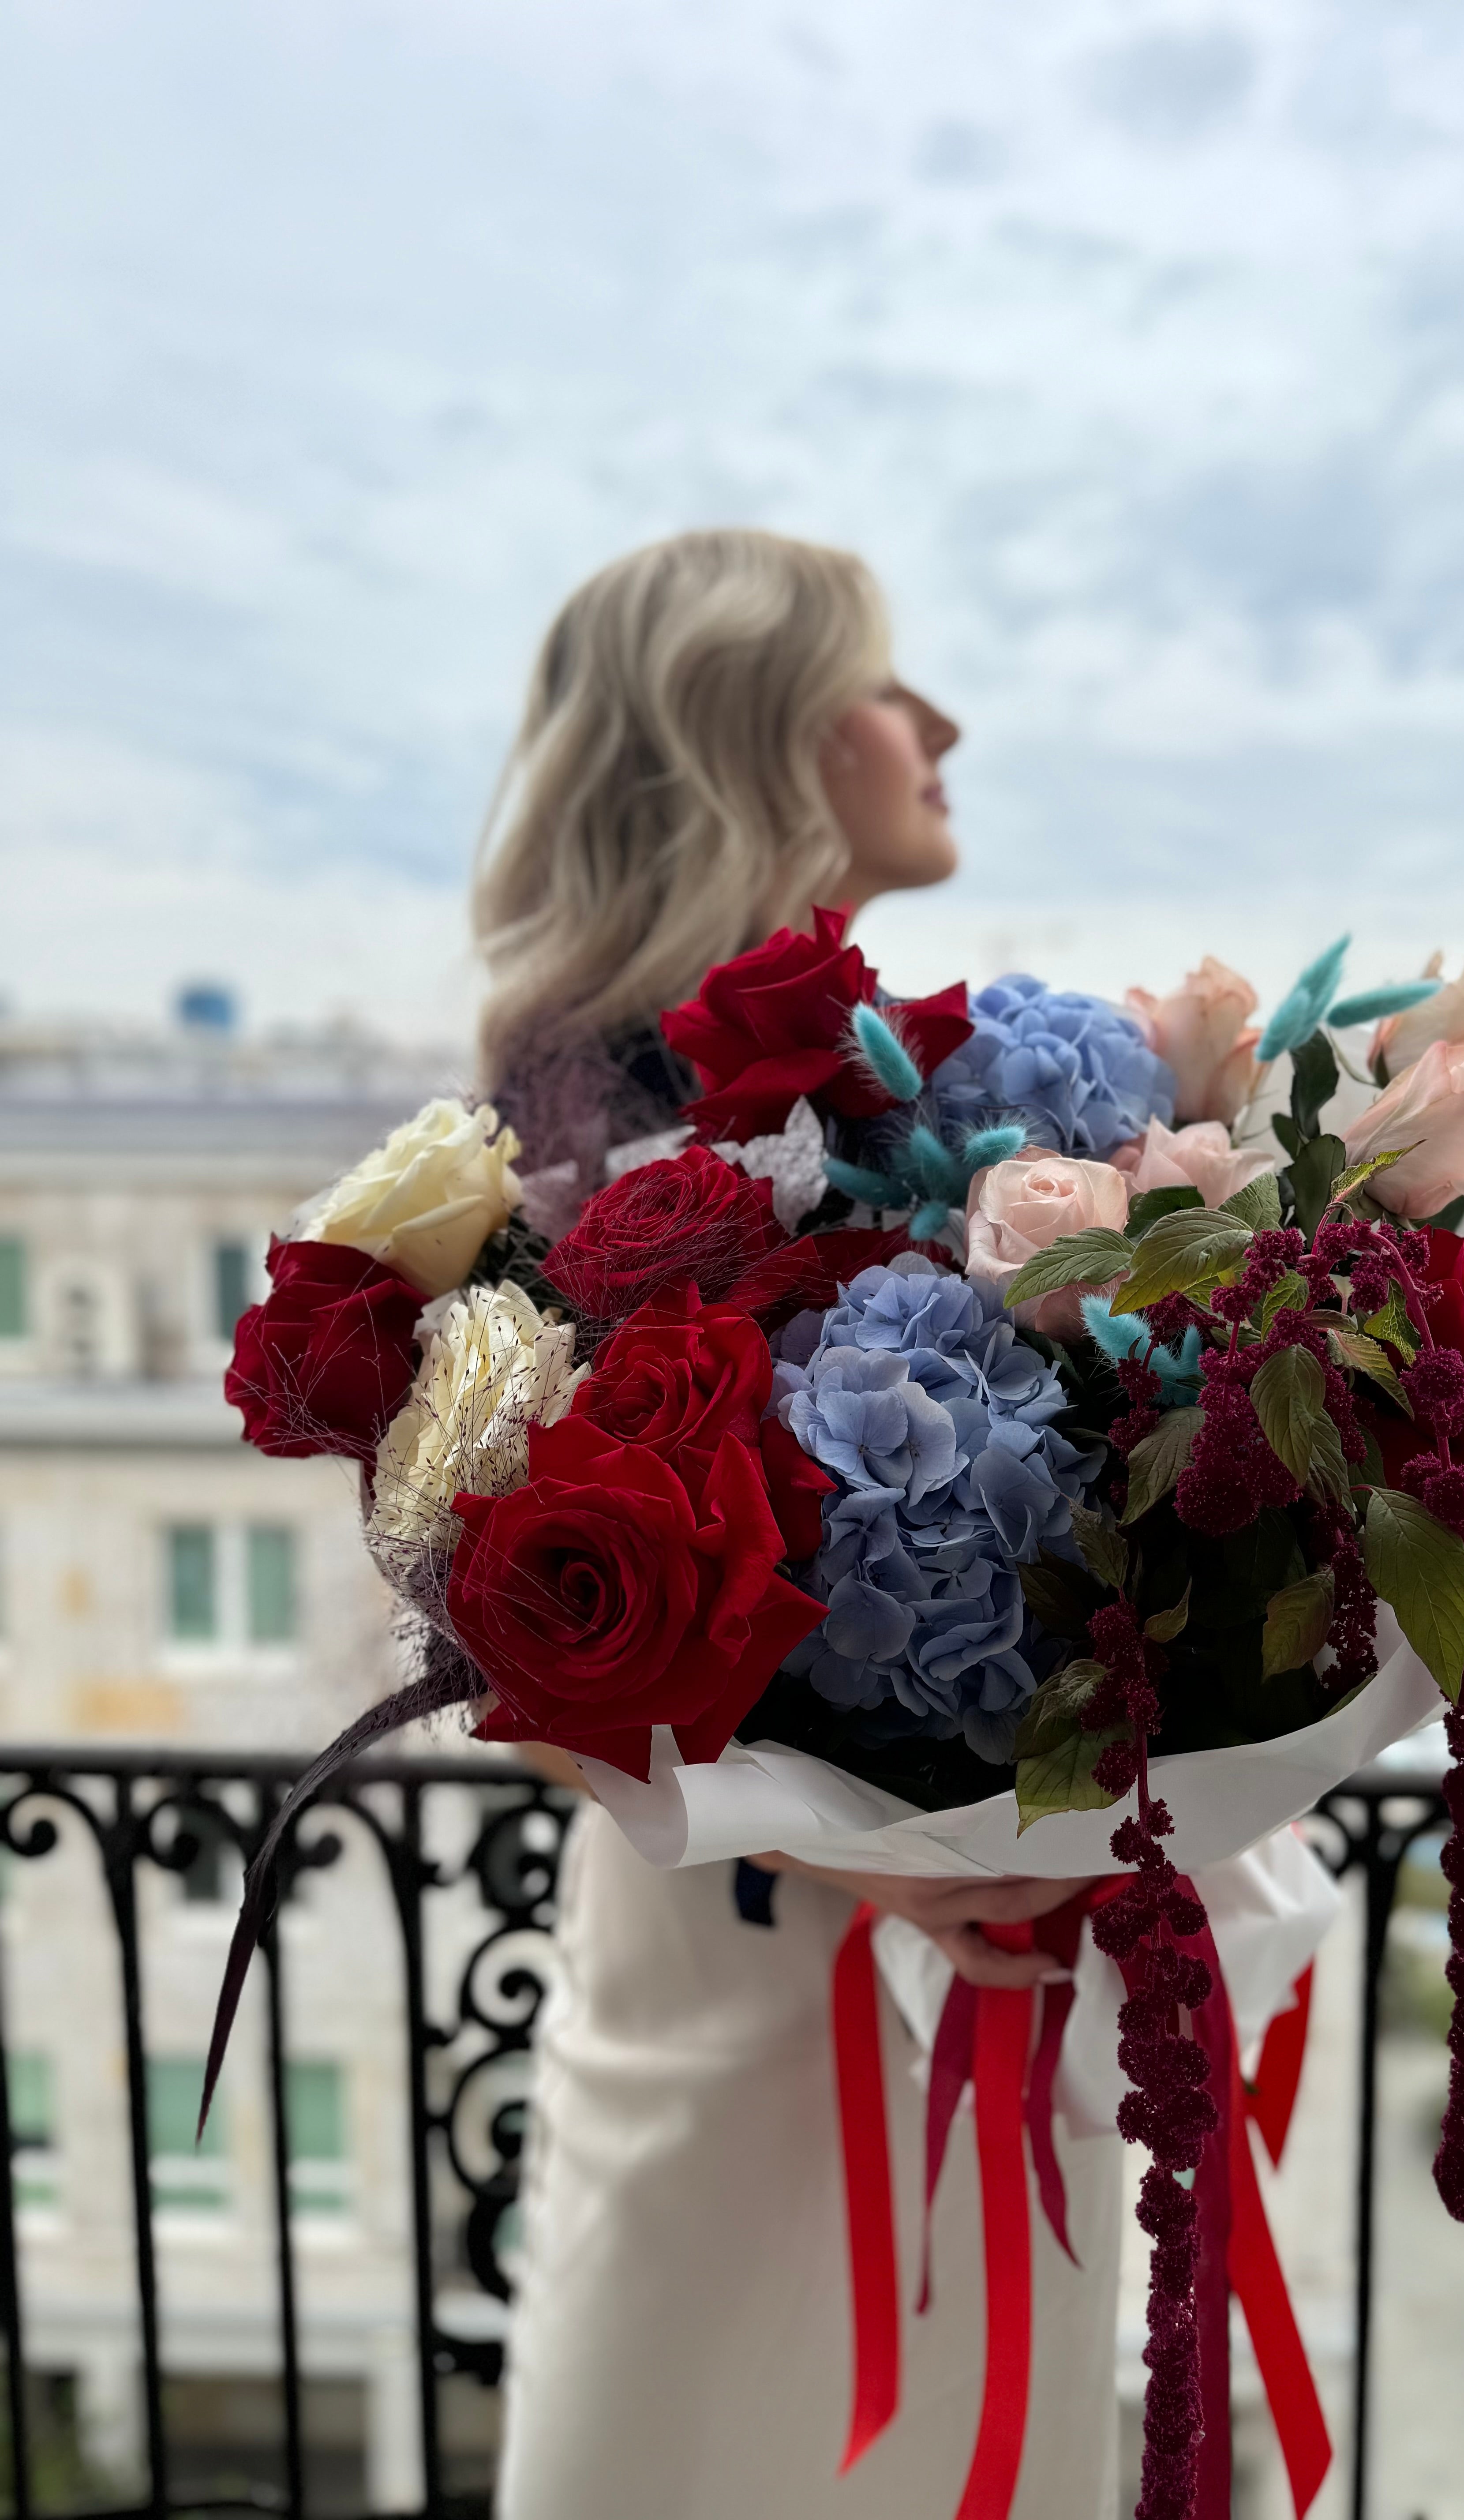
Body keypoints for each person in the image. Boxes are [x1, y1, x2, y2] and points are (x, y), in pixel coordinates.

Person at [475, 529, 1122, 2520]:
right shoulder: (583, 1092)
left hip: (987, 1950)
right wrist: (878, 1860)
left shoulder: (933, 1079)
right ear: (755, 730)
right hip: (740, 1961)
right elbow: (508, 1581)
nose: (939, 725)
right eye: (882, 680)